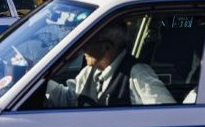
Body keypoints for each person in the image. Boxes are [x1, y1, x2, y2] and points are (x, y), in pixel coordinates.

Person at [43, 22, 175, 107]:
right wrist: (39, 80)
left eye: (89, 43)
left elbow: (167, 114)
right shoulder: (89, 72)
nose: (83, 48)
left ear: (106, 47)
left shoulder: (137, 74)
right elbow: (69, 99)